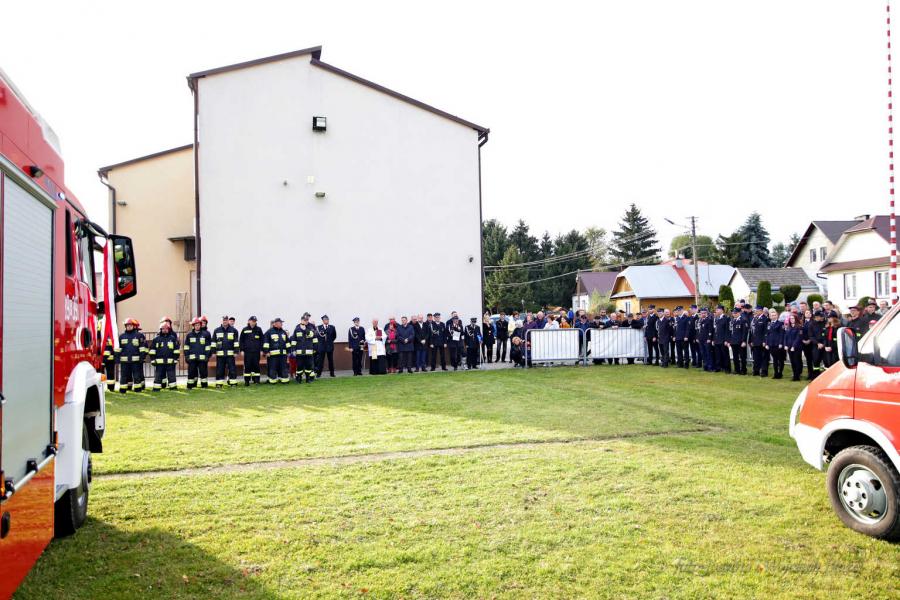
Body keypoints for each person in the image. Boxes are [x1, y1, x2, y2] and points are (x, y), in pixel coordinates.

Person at [116, 317, 147, 393]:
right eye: (127, 325)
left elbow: (142, 348)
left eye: (130, 325)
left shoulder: (139, 335)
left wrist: (142, 357)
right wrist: (117, 358)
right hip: (124, 361)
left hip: (136, 361)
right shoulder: (121, 336)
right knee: (124, 376)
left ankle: (138, 389)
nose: (129, 327)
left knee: (136, 376)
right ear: (125, 326)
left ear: (133, 326)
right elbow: (118, 349)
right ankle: (123, 390)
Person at [149, 316, 180, 391]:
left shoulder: (172, 338)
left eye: (166, 329)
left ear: (169, 329)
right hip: (159, 362)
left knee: (171, 375)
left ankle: (173, 387)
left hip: (170, 362)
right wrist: (153, 360)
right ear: (160, 329)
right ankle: (156, 388)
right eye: (163, 329)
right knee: (158, 375)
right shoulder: (156, 339)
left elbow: (176, 350)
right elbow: (152, 350)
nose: (165, 330)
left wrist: (175, 359)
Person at [185, 317, 212, 389]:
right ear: (193, 326)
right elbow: (186, 347)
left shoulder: (205, 334)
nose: (197, 326)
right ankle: (190, 386)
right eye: (196, 325)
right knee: (191, 372)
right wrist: (187, 356)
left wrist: (207, 356)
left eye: (198, 325)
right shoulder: (189, 335)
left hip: (202, 358)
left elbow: (208, 347)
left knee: (203, 372)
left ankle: (204, 385)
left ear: (200, 325)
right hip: (192, 358)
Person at [213, 315, 240, 386]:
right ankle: (219, 383)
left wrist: (236, 351)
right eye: (223, 320)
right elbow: (213, 342)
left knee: (232, 369)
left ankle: (233, 383)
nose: (225, 321)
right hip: (220, 354)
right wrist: (213, 352)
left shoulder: (234, 330)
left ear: (228, 321)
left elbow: (236, 342)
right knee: (220, 369)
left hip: (230, 354)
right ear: (221, 321)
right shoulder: (216, 330)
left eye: (226, 320)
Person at [263, 318, 291, 383]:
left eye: (281, 323)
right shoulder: (269, 332)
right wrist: (266, 352)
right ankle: (272, 380)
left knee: (283, 367)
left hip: (283, 355)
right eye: (280, 323)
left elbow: (287, 342)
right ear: (276, 323)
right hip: (273, 355)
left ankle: (284, 379)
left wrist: (288, 351)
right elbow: (266, 343)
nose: (282, 324)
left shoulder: (283, 332)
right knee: (273, 368)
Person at [293, 315, 318, 383]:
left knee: (308, 366)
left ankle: (308, 378)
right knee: (299, 366)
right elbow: (294, 340)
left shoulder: (310, 327)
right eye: (304, 320)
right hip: (299, 352)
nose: (306, 321)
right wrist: (293, 350)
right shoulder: (297, 329)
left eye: (307, 320)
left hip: (309, 352)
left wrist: (305, 329)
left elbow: (312, 336)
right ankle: (299, 378)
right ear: (301, 320)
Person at [239, 316, 263, 385]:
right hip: (247, 352)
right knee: (247, 366)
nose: (253, 322)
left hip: (256, 352)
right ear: (249, 321)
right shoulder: (245, 329)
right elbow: (241, 340)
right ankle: (247, 381)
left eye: (255, 321)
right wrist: (242, 350)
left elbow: (262, 340)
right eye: (252, 321)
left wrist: (261, 350)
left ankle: (256, 380)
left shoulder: (259, 329)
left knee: (256, 366)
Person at [763, 308, 785, 379]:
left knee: (780, 359)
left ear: (777, 316)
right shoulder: (769, 324)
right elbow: (767, 334)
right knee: (774, 360)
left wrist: (781, 343)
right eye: (772, 315)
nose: (773, 316)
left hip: (778, 344)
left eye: (775, 315)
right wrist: (766, 343)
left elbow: (782, 334)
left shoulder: (780, 324)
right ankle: (776, 373)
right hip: (771, 344)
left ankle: (780, 373)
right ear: (769, 316)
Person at [749, 305, 770, 377]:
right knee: (756, 357)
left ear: (761, 311)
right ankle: (756, 370)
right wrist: (751, 340)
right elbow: (752, 331)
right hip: (755, 341)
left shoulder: (765, 319)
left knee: (764, 357)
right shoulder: (755, 319)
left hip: (762, 342)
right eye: (755, 311)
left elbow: (766, 332)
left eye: (757, 311)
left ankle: (764, 371)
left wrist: (764, 341)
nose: (755, 312)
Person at [807, 310, 826, 379]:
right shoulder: (811, 324)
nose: (822, 318)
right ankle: (815, 376)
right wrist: (817, 343)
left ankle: (825, 378)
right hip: (816, 345)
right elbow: (811, 336)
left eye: (822, 316)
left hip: (825, 345)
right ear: (816, 317)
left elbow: (826, 335)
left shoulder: (825, 323)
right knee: (816, 362)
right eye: (820, 316)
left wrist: (823, 344)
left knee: (826, 362)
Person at [785, 313, 804, 381]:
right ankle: (794, 374)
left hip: (797, 347)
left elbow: (798, 338)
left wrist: (793, 346)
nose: (791, 320)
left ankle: (797, 376)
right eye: (790, 319)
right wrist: (785, 345)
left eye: (793, 318)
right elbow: (786, 337)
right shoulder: (788, 327)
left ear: (796, 319)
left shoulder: (799, 327)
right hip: (790, 347)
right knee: (792, 361)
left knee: (797, 361)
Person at [729, 307, 748, 375]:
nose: (734, 314)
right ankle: (737, 370)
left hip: (740, 342)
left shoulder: (743, 320)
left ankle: (743, 370)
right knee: (735, 357)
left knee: (742, 357)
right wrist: (730, 341)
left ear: (739, 313)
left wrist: (743, 341)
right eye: (733, 313)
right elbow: (730, 331)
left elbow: (744, 332)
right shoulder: (732, 320)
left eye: (735, 313)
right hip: (733, 341)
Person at [713, 305, 731, 373]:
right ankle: (718, 367)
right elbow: (715, 330)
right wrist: (714, 339)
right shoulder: (717, 318)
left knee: (725, 355)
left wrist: (726, 340)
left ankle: (727, 368)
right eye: (716, 310)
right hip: (717, 339)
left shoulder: (726, 318)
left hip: (723, 340)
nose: (716, 311)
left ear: (722, 310)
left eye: (717, 310)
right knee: (717, 355)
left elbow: (727, 330)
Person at [696, 307, 715, 371]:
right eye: (701, 313)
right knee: (703, 353)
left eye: (704, 313)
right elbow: (698, 330)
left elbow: (710, 330)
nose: (703, 314)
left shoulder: (709, 320)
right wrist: (698, 337)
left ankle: (710, 367)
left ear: (706, 313)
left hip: (707, 339)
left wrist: (709, 338)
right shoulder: (700, 320)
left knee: (708, 353)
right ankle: (705, 366)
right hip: (701, 339)